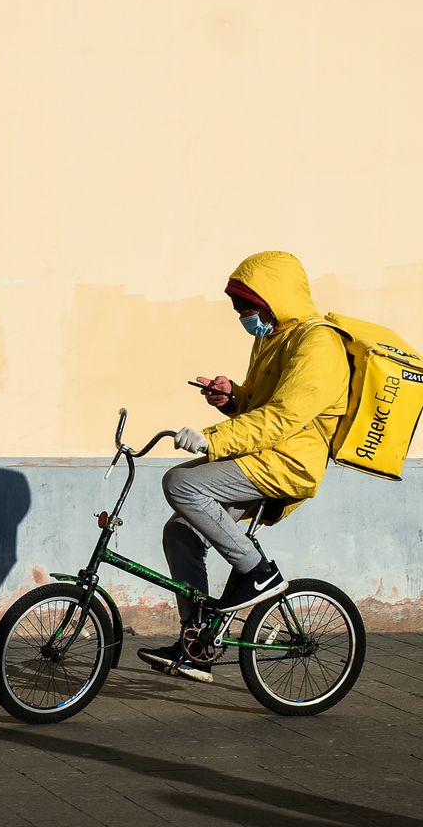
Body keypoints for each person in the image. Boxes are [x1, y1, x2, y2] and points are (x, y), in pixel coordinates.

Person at [138, 250, 350, 682]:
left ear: (273, 298)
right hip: (266, 455)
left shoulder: (318, 344)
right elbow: (260, 405)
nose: (242, 315)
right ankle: (197, 640)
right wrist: (232, 397)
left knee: (180, 483)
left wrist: (212, 438)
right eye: (238, 308)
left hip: (290, 463)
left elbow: (283, 417)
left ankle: (259, 572)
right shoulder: (273, 338)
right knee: (179, 531)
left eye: (247, 306)